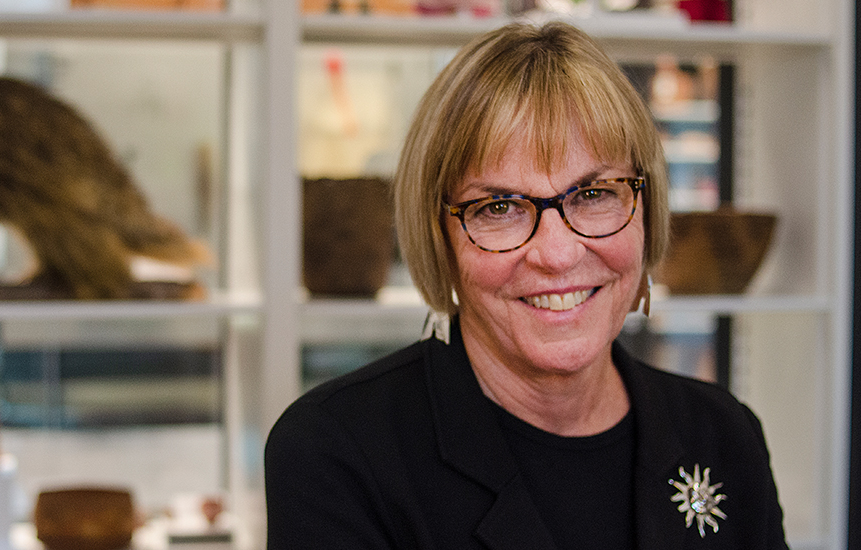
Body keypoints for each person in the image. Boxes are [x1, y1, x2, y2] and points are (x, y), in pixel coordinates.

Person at [264, 21, 788, 550]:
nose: (558, 254)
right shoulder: (336, 453)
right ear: (438, 235)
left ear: (646, 211)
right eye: (500, 207)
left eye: (594, 194)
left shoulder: (723, 434)